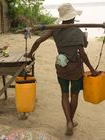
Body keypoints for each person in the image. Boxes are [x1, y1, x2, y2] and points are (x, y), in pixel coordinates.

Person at [25, 3, 99, 136]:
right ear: (73, 17)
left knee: (64, 94)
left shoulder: (55, 29)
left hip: (62, 67)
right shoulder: (77, 31)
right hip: (76, 69)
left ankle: (69, 121)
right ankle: (70, 122)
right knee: (74, 95)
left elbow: (38, 41)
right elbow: (82, 53)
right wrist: (92, 70)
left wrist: (29, 54)